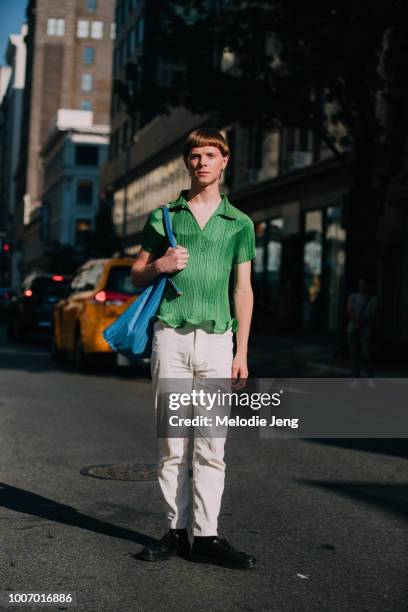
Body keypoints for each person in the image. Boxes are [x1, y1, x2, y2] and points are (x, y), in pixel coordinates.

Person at [130, 128, 257, 569]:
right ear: (187, 163)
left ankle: (206, 537)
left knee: (211, 445)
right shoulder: (166, 216)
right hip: (172, 336)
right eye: (195, 156)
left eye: (210, 155)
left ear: (224, 161)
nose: (202, 162)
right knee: (172, 444)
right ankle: (175, 530)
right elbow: (136, 274)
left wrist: (241, 351)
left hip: (220, 343)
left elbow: (243, 289)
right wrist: (161, 265)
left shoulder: (239, 223)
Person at [346, 276, 378, 385]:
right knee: (353, 355)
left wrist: (361, 321)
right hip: (353, 329)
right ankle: (356, 378)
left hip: (365, 331)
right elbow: (349, 309)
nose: (361, 286)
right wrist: (356, 319)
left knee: (366, 355)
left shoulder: (373, 300)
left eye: (363, 284)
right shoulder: (353, 296)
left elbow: (372, 315)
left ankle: (369, 378)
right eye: (360, 283)